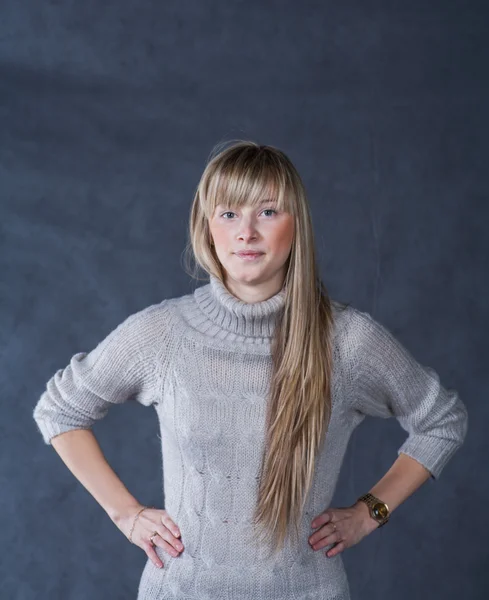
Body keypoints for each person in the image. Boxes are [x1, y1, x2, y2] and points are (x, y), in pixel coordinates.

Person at [33, 140, 468, 600]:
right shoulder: (163, 334)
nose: (246, 232)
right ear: (207, 228)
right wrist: (126, 514)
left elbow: (442, 420)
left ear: (296, 225)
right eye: (228, 213)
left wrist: (370, 511)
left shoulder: (347, 341)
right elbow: (60, 411)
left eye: (267, 212)